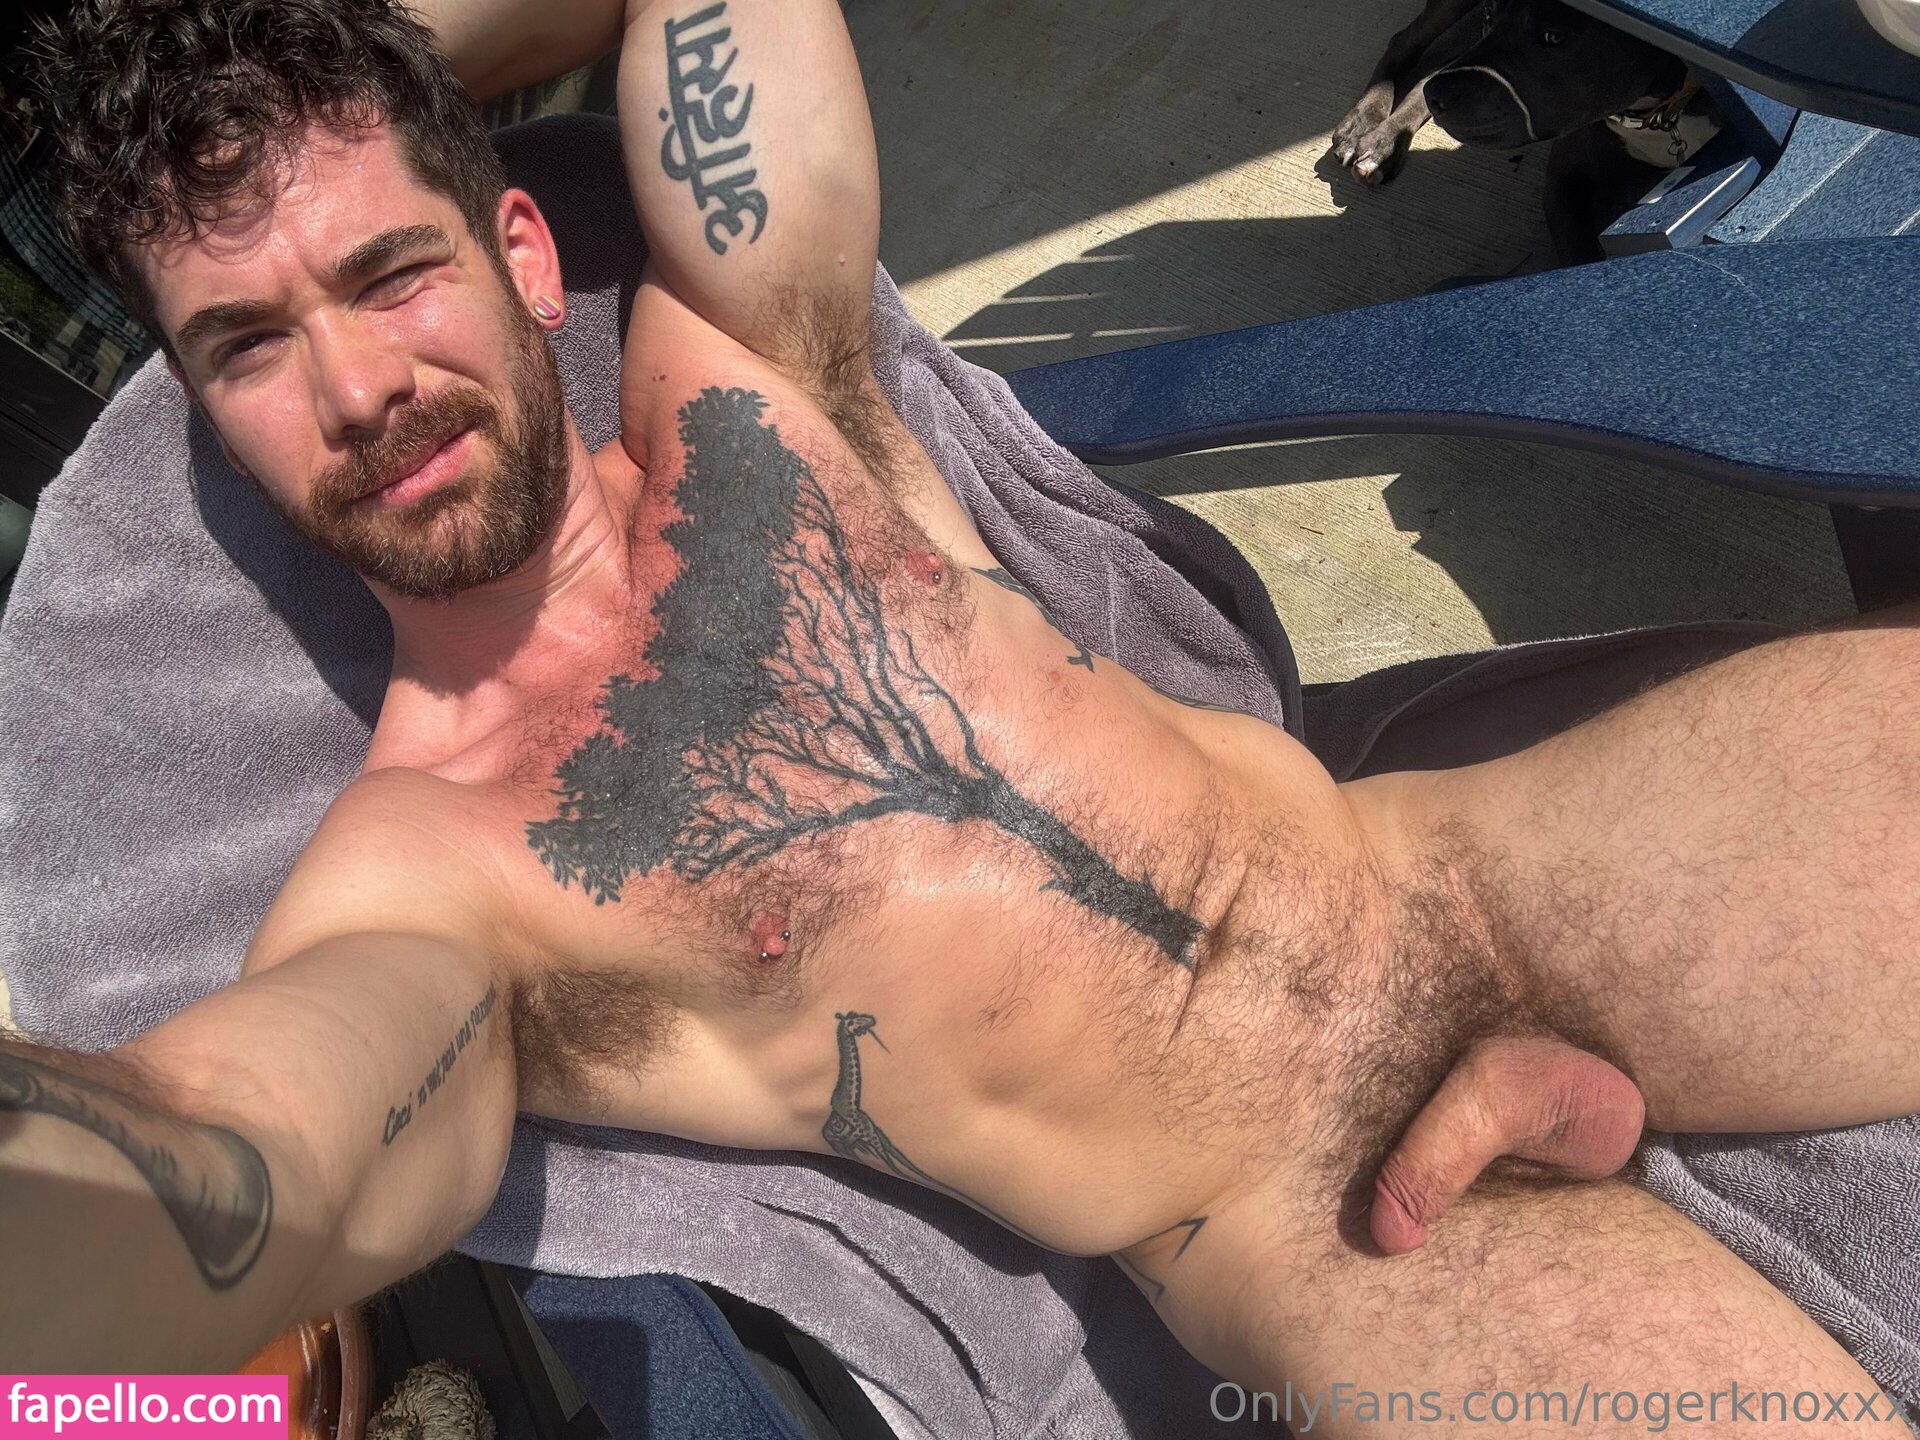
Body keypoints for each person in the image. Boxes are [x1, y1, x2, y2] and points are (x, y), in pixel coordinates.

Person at [3, 0, 1914, 1430]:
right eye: (246, 347)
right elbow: (247, 1150)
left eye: (389, 271)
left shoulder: (746, 383)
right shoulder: (428, 872)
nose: (354, 387)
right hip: (1328, 1219)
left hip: (1484, 868)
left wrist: (339, 38)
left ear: (518, 253)